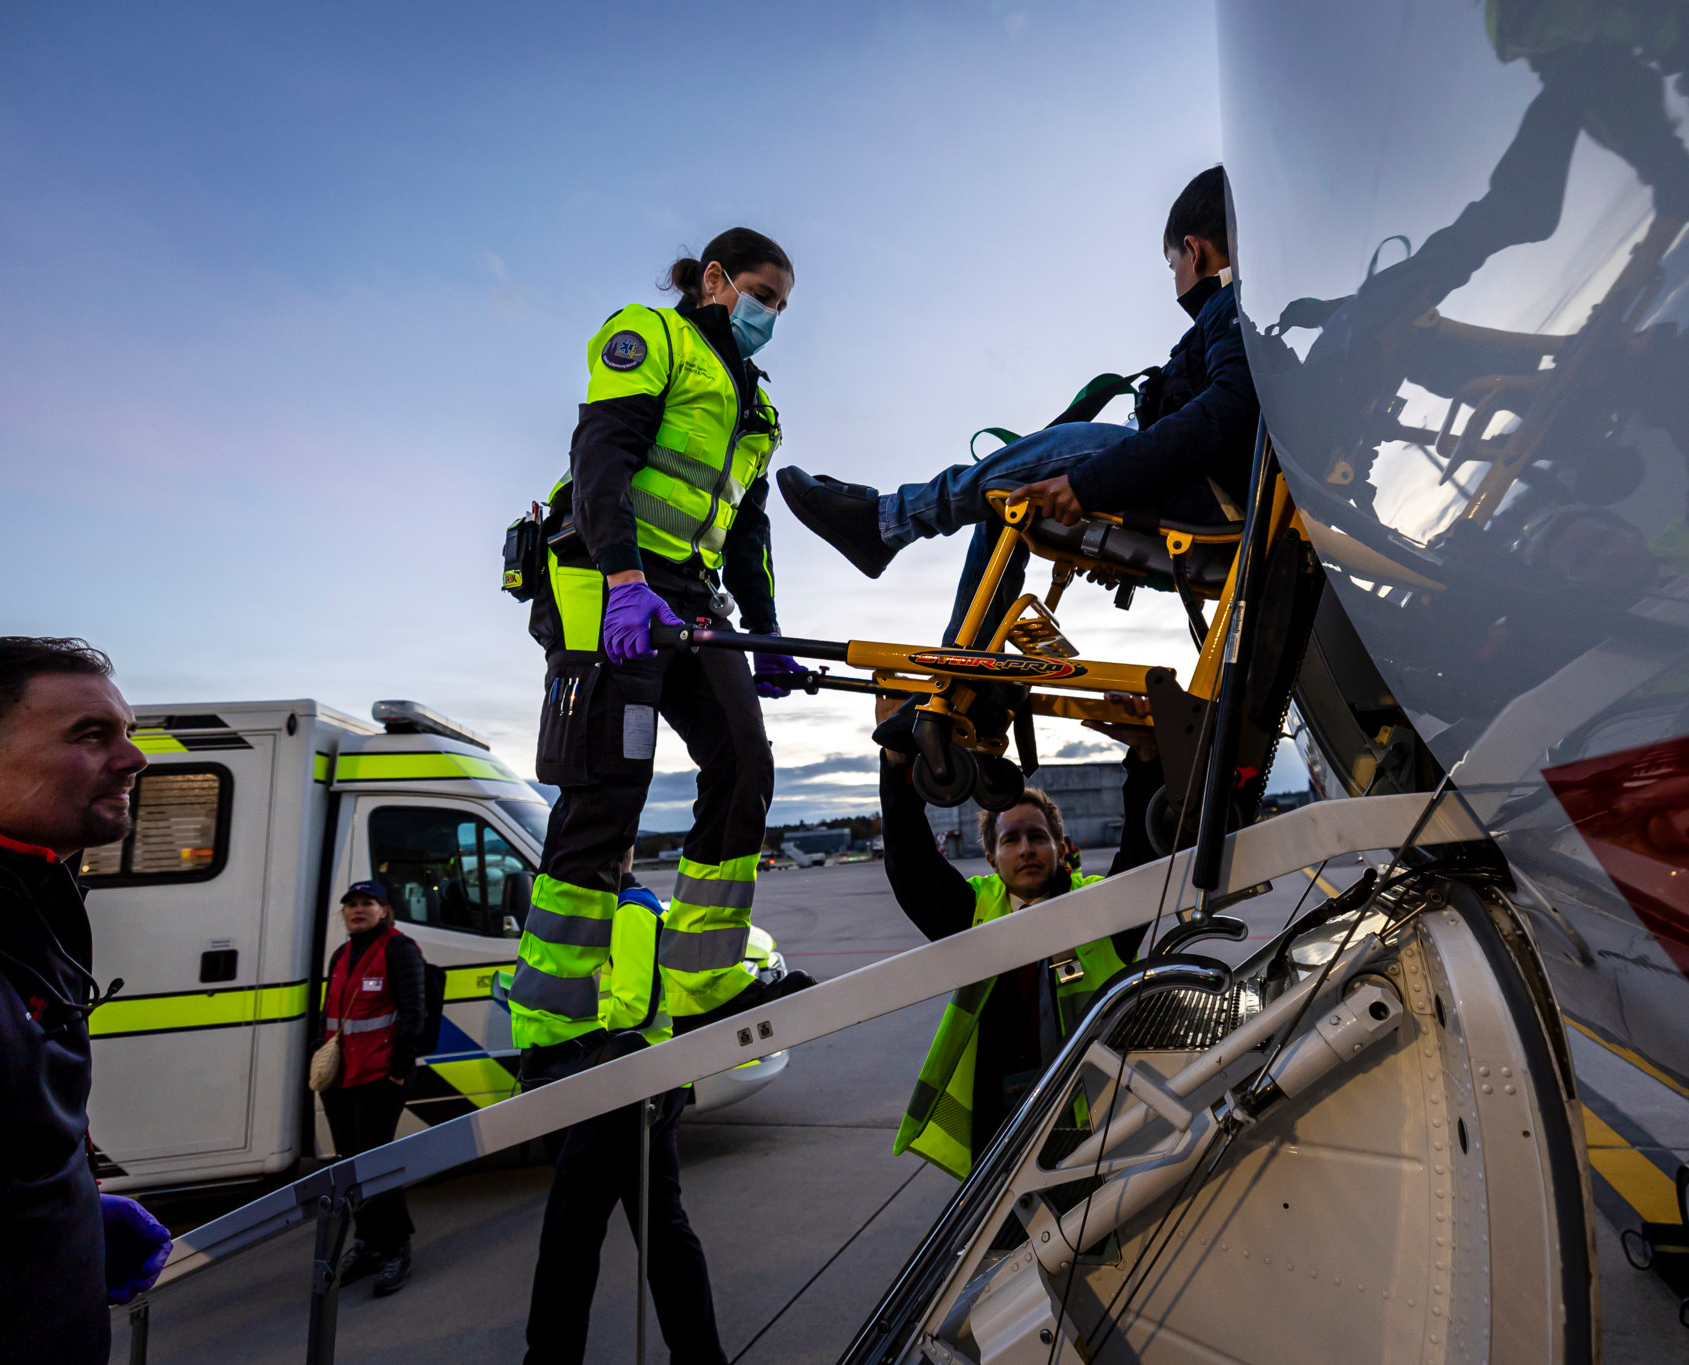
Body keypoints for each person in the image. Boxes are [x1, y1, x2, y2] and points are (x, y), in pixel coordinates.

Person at [513, 227, 816, 1084]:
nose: (769, 316)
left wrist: (766, 632)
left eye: (781, 308)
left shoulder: (756, 401)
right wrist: (620, 577)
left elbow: (747, 526)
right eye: (762, 295)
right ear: (716, 279)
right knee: (608, 787)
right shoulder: (655, 336)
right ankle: (549, 1027)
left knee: (744, 762)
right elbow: (600, 457)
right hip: (607, 578)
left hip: (689, 593)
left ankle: (705, 976)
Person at [777, 165, 1261, 649]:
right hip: (1202, 495)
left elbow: (1225, 413)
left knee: (1042, 457)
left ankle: (888, 522)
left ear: (1194, 252)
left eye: (1171, 263)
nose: (1175, 276)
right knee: (1008, 497)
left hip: (1216, 500)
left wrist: (1089, 484)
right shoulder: (1250, 316)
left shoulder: (1233, 306)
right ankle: (964, 678)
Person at [876, 701, 1146, 1177]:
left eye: (1037, 837)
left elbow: (1144, 857)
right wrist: (900, 762)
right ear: (991, 859)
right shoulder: (975, 912)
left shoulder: (1101, 911)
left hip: (1087, 1121)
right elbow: (911, 863)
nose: (1025, 849)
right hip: (997, 1120)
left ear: (1062, 850)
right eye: (1010, 840)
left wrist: (1147, 762)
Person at [0, 637, 172, 1365]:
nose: (134, 759)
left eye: (126, 732)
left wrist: (66, 1207)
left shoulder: (38, 901)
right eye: (91, 735)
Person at [522, 859, 724, 1365]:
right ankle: (700, 1355)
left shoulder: (631, 910)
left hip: (624, 1086)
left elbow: (634, 1007)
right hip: (645, 1084)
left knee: (570, 1233)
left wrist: (572, 1042)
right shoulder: (611, 910)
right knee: (662, 1229)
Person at [319, 879, 428, 1296]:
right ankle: (368, 1245)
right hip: (340, 1080)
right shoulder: (342, 953)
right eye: (351, 904)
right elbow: (331, 1012)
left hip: (381, 1077)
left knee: (375, 1161)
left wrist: (399, 1071)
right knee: (349, 1163)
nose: (357, 910)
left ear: (385, 910)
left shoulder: (400, 949)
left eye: (367, 903)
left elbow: (414, 1013)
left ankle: (397, 1247)